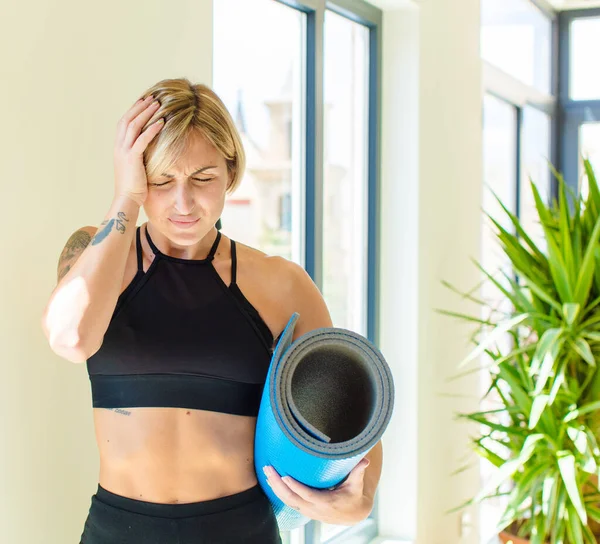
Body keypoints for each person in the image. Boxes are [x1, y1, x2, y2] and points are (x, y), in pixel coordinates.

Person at [41, 78, 382, 544]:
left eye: (203, 178)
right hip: (118, 531)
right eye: (162, 180)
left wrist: (359, 498)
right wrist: (126, 199)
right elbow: (70, 338)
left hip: (240, 530)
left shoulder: (280, 283)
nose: (183, 203)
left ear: (231, 172)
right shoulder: (99, 258)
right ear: (138, 175)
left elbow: (354, 406)